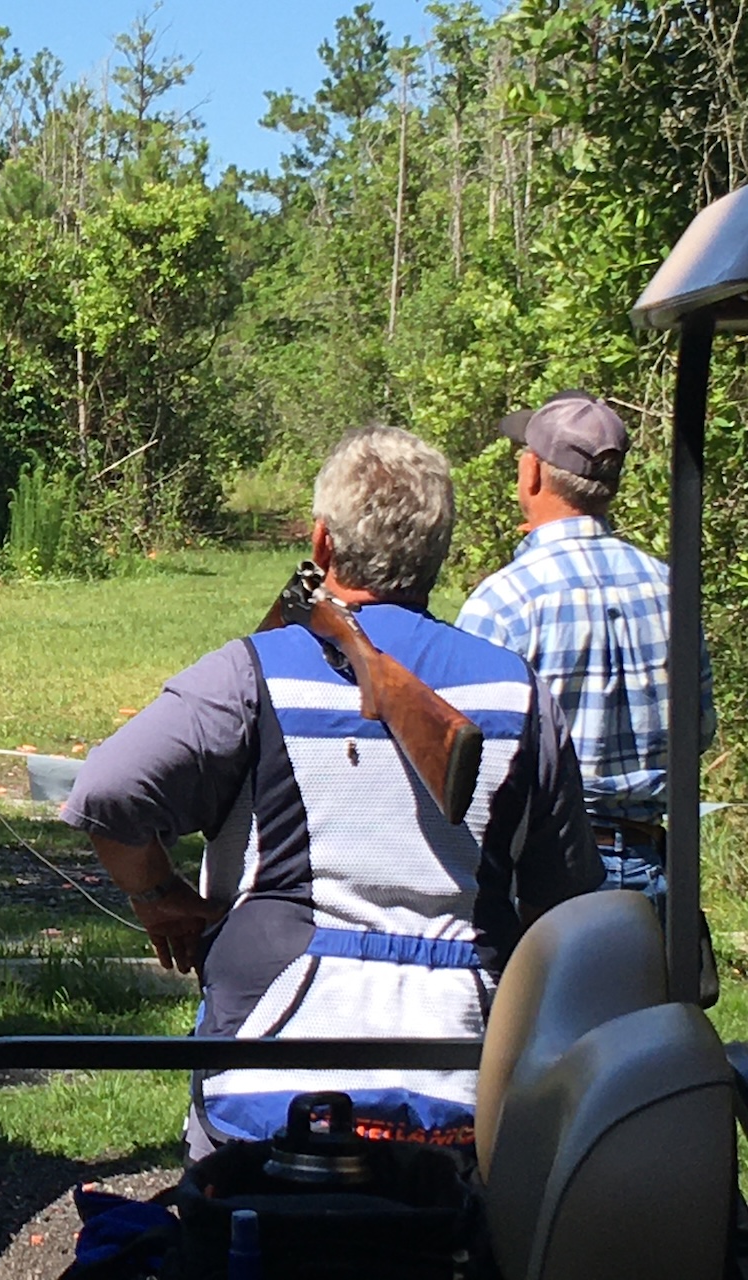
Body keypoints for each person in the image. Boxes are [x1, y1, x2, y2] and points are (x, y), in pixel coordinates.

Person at [60, 426, 599, 1156]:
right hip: (468, 1083)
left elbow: (105, 789)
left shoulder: (251, 674)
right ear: (437, 548)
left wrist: (157, 896)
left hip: (269, 1078)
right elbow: (557, 914)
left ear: (321, 545)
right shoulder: (521, 692)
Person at [457, 390, 717, 910]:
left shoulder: (505, 601)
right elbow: (700, 729)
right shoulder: (670, 588)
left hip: (544, 871)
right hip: (652, 867)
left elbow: (464, 764)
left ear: (532, 474)